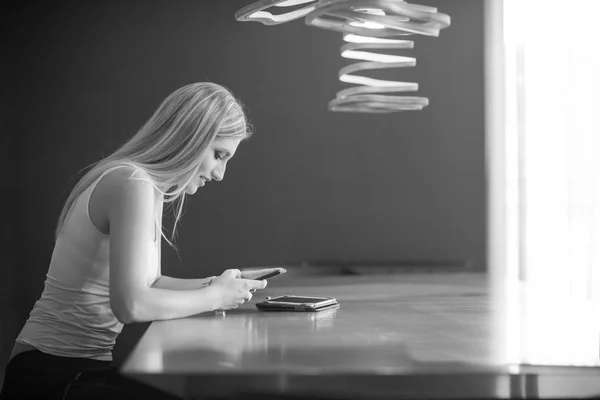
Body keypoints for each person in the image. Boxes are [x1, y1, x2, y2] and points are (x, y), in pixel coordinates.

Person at [1, 82, 283, 399]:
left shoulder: (144, 185)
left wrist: (215, 284)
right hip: (51, 376)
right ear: (190, 138)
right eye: (219, 155)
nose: (220, 174)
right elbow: (131, 305)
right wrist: (216, 297)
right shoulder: (131, 182)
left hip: (72, 370)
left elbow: (150, 282)